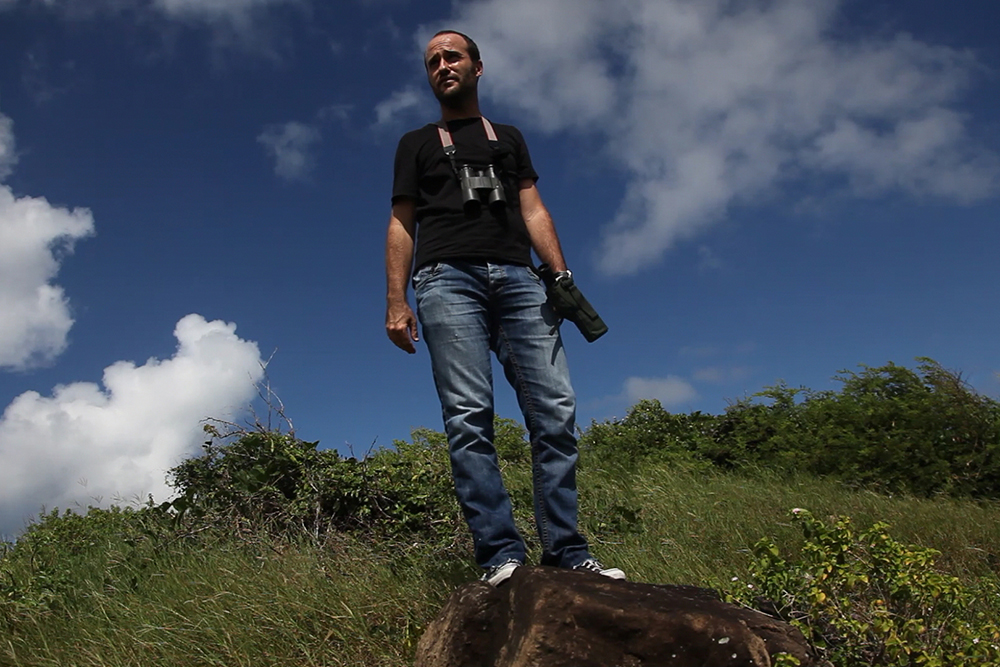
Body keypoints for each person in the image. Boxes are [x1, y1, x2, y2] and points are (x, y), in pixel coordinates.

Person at [384, 30, 624, 586]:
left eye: (453, 56)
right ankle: (502, 557)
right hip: (446, 278)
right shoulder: (416, 143)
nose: (443, 65)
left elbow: (532, 207)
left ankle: (566, 550)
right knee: (469, 417)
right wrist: (396, 301)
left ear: (477, 67)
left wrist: (560, 275)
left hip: (520, 279)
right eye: (433, 61)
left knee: (555, 411)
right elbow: (402, 221)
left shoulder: (508, 137)